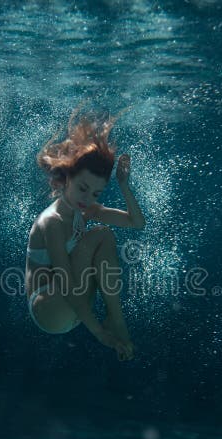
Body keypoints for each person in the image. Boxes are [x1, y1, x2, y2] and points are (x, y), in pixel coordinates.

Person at [25, 104, 145, 361]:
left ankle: (115, 318)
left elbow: (136, 223)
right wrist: (100, 334)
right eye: (82, 188)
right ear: (67, 178)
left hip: (72, 311)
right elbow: (66, 284)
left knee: (103, 237)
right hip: (49, 308)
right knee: (101, 235)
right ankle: (115, 321)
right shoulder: (53, 222)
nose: (87, 198)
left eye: (95, 193)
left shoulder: (87, 209)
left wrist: (124, 186)